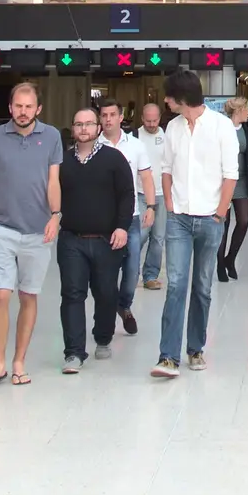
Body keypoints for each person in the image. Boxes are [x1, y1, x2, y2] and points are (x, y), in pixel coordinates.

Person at [153, 69, 238, 379]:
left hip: (210, 220)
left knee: (202, 287)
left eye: (169, 96)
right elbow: (165, 169)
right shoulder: (172, 128)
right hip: (179, 219)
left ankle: (195, 348)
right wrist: (170, 203)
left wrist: (220, 212)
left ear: (182, 98)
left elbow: (231, 174)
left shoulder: (222, 126)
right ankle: (168, 357)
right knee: (175, 285)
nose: (165, 101)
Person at [0, 82, 63, 391]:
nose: (23, 111)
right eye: (18, 106)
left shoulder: (52, 136)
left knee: (29, 295)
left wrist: (56, 215)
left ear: (38, 109)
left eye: (29, 106)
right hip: (3, 228)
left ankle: (19, 362)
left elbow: (53, 181)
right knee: (0, 294)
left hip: (39, 230)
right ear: (10, 107)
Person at [56, 104, 135, 373]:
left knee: (105, 293)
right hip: (71, 239)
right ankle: (74, 353)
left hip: (106, 239)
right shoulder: (62, 161)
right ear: (73, 128)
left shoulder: (114, 159)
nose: (84, 129)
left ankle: (103, 337)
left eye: (89, 124)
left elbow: (127, 194)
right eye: (78, 124)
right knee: (72, 294)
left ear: (98, 127)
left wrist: (122, 227)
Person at [97, 96, 156, 327]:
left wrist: (150, 206)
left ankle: (124, 305)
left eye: (113, 115)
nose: (108, 119)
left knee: (132, 270)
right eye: (104, 115)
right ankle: (106, 314)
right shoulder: (94, 144)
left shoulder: (135, 145)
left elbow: (146, 177)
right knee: (105, 272)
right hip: (101, 219)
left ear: (121, 117)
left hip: (130, 217)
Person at [217, 97, 248, 282]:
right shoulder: (220, 128)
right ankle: (219, 265)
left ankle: (230, 258)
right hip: (223, 181)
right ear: (238, 111)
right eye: (247, 110)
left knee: (244, 220)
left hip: (241, 181)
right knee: (222, 225)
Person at [136, 102, 168, 290]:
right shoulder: (134, 137)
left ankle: (150, 276)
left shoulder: (166, 136)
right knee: (140, 235)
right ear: (142, 119)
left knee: (158, 237)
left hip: (162, 195)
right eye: (147, 120)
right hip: (140, 193)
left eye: (154, 120)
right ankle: (131, 271)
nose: (151, 124)